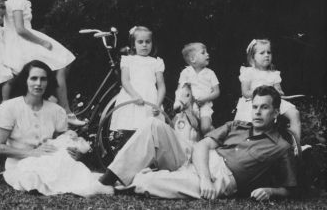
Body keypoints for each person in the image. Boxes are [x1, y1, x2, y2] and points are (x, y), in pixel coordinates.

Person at [99, 86, 297, 201]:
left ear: (276, 112)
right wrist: (204, 178)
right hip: (199, 159)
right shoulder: (236, 125)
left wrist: (270, 191)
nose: (257, 112)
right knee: (154, 125)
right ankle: (107, 179)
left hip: (221, 178)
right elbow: (202, 145)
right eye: (255, 107)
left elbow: (290, 188)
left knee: (146, 182)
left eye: (264, 108)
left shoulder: (281, 147)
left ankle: (130, 180)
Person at [0, 60, 113, 196]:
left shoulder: (56, 110)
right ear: (25, 81)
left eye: (43, 79)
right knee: (31, 178)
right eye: (33, 78)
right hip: (19, 164)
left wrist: (74, 152)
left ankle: (94, 184)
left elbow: (62, 140)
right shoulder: (8, 108)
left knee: (68, 169)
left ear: (48, 82)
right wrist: (32, 153)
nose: (38, 83)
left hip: (50, 161)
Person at [3, 0, 85, 126]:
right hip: (22, 43)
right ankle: (65, 110)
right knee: (63, 61)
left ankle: (52, 100)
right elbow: (20, 29)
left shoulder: (15, 1)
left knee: (63, 60)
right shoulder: (18, 1)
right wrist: (41, 42)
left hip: (19, 42)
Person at [234, 39, 301, 141]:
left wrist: (277, 92)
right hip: (253, 102)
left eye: (269, 52)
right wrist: (261, 93)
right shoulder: (248, 72)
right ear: (253, 57)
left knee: (294, 113)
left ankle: (297, 144)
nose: (267, 55)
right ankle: (251, 143)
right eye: (262, 53)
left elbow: (280, 91)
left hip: (273, 101)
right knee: (252, 120)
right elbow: (245, 92)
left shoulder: (274, 74)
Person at [109, 26, 166, 133]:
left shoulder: (156, 62)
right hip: (132, 98)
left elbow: (161, 86)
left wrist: (158, 104)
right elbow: (125, 81)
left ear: (152, 43)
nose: (144, 45)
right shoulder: (128, 60)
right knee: (130, 131)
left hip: (150, 100)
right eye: (140, 42)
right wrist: (134, 95)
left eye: (148, 42)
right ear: (134, 45)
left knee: (150, 132)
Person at [177, 42, 220, 135]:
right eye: (203, 53)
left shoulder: (210, 73)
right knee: (186, 127)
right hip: (190, 106)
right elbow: (180, 90)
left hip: (205, 105)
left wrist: (205, 99)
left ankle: (216, 135)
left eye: (207, 52)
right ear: (193, 59)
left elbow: (217, 92)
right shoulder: (186, 72)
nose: (207, 54)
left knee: (205, 128)